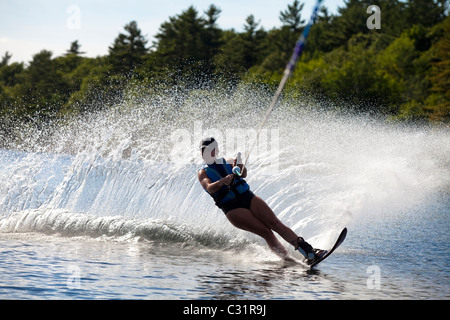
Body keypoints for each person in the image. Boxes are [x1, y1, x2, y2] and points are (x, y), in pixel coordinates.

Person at [197, 137, 325, 263]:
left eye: (211, 149)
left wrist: (240, 165)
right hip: (232, 208)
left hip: (248, 196)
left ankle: (309, 252)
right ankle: (289, 261)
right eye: (204, 150)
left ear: (217, 150)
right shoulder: (203, 172)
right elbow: (209, 187)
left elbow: (243, 174)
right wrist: (222, 182)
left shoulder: (228, 161)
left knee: (275, 223)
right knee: (266, 232)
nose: (208, 153)